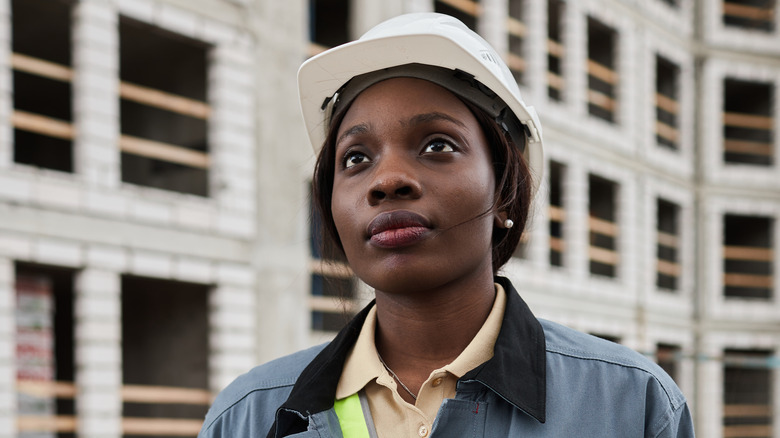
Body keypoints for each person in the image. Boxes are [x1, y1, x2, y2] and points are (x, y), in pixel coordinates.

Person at [198, 13, 694, 438]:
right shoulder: (249, 417)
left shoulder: (630, 404)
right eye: (355, 158)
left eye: (438, 145)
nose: (387, 180)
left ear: (504, 192)